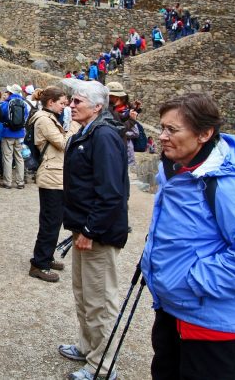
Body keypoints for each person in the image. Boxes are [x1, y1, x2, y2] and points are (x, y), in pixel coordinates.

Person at [141, 93, 235, 380]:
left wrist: (193, 279)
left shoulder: (228, 186)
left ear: (204, 134)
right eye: (162, 127)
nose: (162, 136)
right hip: (172, 309)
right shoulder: (176, 172)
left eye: (172, 129)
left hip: (212, 324)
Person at [58, 80, 129, 380]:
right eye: (71, 101)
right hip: (83, 230)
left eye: (77, 102)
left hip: (96, 233)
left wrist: (89, 229)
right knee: (84, 294)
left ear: (98, 106)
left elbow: (111, 192)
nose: (71, 106)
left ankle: (103, 364)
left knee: (101, 298)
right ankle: (88, 346)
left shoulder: (104, 137)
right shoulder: (87, 133)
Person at [29, 87, 80, 282]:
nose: (65, 107)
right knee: (50, 221)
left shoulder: (48, 118)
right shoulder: (44, 119)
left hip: (55, 174)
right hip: (51, 176)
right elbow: (63, 143)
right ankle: (39, 264)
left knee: (54, 220)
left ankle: (46, 256)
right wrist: (75, 125)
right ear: (51, 103)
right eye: (62, 103)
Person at [0, 84, 29, 189]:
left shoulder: (6, 104)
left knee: (7, 158)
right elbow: (26, 116)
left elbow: (1, 115)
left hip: (7, 133)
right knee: (19, 158)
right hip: (20, 134)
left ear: (10, 93)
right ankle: (20, 182)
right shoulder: (24, 104)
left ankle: (7, 182)